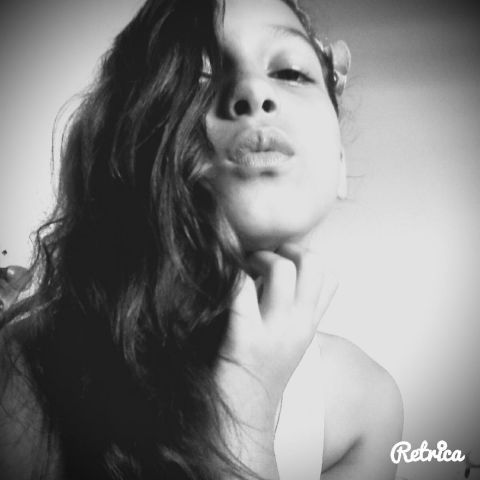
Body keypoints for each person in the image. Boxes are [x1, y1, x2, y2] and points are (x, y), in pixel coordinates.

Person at [0, 0, 403, 478]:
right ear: (129, 143)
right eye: (199, 77)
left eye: (291, 73)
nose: (253, 91)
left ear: (340, 164)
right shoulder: (24, 369)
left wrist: (247, 423)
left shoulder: (364, 406)